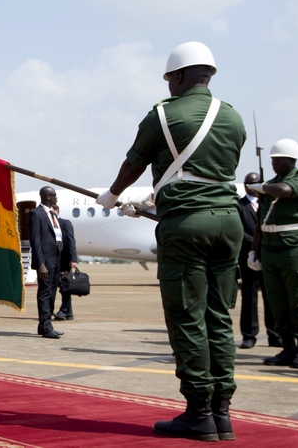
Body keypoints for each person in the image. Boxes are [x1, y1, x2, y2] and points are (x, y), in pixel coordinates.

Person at [95, 42, 245, 442]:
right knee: (218, 316)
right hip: (228, 222)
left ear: (177, 76)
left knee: (187, 316)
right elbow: (205, 173)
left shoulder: (162, 114)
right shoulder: (232, 116)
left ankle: (199, 413)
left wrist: (112, 195)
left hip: (186, 225)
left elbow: (136, 162)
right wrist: (152, 197)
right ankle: (222, 412)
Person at [248, 139, 298, 369]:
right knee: (277, 302)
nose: (274, 163)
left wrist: (261, 187)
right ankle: (288, 348)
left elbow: (285, 191)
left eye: (278, 160)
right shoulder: (270, 184)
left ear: (291, 160)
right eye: (272, 160)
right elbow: (259, 223)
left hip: (295, 249)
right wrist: (255, 250)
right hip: (270, 249)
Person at [238, 172, 280, 349]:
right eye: (250, 184)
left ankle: (274, 334)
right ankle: (249, 335)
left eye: (257, 184)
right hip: (249, 257)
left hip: (268, 256)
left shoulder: (269, 204)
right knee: (249, 297)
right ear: (246, 185)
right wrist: (256, 243)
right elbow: (239, 231)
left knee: (272, 297)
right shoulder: (240, 205)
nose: (253, 187)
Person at [28, 186, 65, 339]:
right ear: (48, 197)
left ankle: (44, 325)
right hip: (45, 260)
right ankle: (46, 326)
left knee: (52, 292)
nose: (56, 198)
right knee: (45, 292)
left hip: (56, 258)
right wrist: (40, 263)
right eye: (54, 195)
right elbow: (35, 240)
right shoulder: (36, 214)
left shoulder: (52, 214)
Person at [52, 205, 78, 321]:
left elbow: (71, 240)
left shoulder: (65, 223)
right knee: (64, 286)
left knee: (64, 286)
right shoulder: (50, 225)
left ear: (57, 211)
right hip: (54, 259)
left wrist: (73, 259)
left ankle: (63, 310)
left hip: (64, 260)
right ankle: (69, 313)